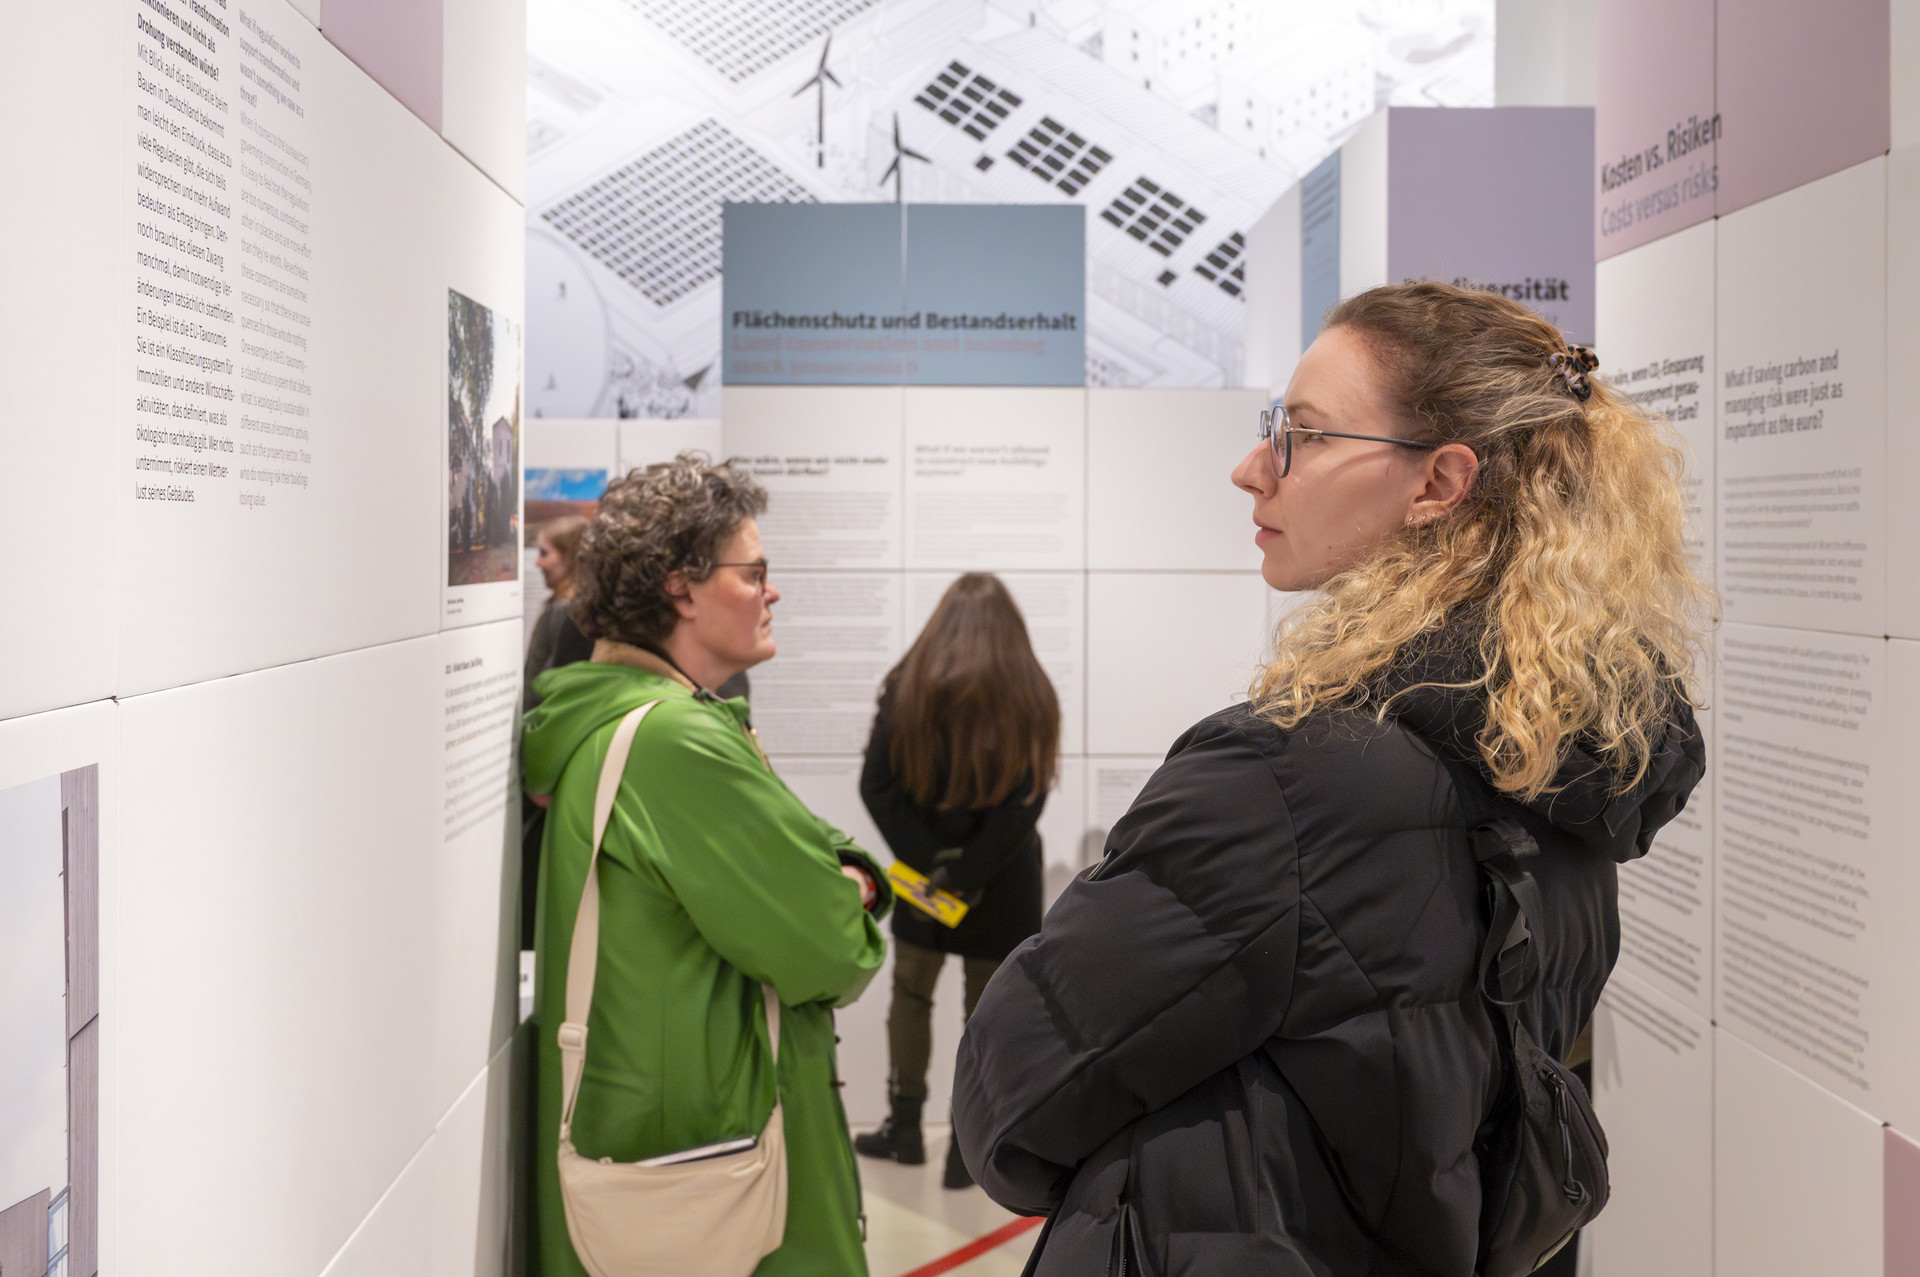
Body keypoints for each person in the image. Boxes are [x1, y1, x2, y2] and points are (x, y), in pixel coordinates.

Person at [952, 282, 1711, 1275]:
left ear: (1438, 481)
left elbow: (1014, 1095)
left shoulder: (1289, 777)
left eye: (1301, 435)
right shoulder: (1557, 762)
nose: (1250, 469)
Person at [521, 453, 893, 1277]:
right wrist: (854, 888)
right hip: (715, 1174)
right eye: (752, 571)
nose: (772, 590)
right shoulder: (674, 740)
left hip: (681, 1153)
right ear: (680, 587)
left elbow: (816, 860)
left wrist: (845, 873)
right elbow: (835, 946)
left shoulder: (644, 718)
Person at [853, 573, 1060, 1190]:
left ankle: (905, 1129)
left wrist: (933, 866)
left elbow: (875, 786)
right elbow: (1027, 798)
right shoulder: (1030, 690)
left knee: (910, 998)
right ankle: (966, 1149)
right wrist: (971, 872)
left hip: (924, 883)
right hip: (1002, 882)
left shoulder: (907, 686)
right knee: (986, 1016)